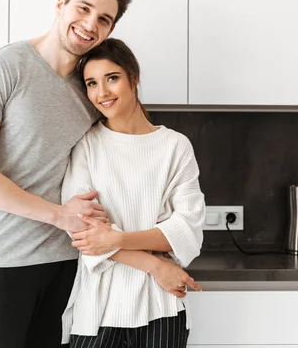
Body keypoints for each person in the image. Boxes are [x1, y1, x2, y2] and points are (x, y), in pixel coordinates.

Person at [0, 0, 131, 348]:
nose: (89, 24)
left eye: (103, 19)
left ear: (110, 30)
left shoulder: (92, 88)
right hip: (0, 261)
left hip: (66, 265)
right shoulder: (3, 66)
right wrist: (60, 215)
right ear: (61, 3)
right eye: (83, 9)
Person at [60, 38, 206, 348]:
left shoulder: (174, 147)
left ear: (133, 77)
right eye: (91, 83)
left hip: (161, 306)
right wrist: (155, 264)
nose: (102, 92)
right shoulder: (86, 145)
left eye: (112, 78)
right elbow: (85, 233)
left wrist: (117, 238)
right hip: (99, 307)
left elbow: (187, 229)